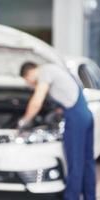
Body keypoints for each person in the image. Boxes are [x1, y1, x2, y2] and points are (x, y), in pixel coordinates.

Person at [18, 61, 95, 200]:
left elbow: (36, 102)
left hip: (76, 118)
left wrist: (23, 121)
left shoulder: (45, 72)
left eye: (27, 80)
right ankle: (90, 197)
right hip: (85, 115)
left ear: (29, 73)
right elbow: (65, 96)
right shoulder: (54, 69)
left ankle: (71, 197)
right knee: (87, 161)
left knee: (75, 162)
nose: (29, 83)